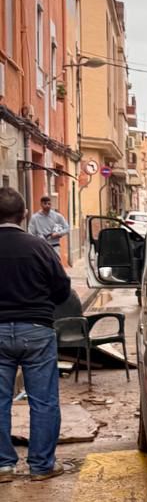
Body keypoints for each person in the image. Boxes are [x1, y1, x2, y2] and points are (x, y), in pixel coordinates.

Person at [0, 187, 70, 482]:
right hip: (37, 330)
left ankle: (3, 466)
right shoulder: (39, 247)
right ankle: (42, 466)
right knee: (43, 400)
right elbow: (62, 289)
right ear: (24, 214)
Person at [28, 193, 69, 258]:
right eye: (45, 203)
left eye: (49, 204)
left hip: (55, 246)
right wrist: (38, 238)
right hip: (41, 246)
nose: (47, 205)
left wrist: (58, 233)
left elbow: (67, 228)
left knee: (55, 265)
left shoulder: (57, 216)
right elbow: (31, 233)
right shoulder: (35, 218)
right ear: (41, 204)